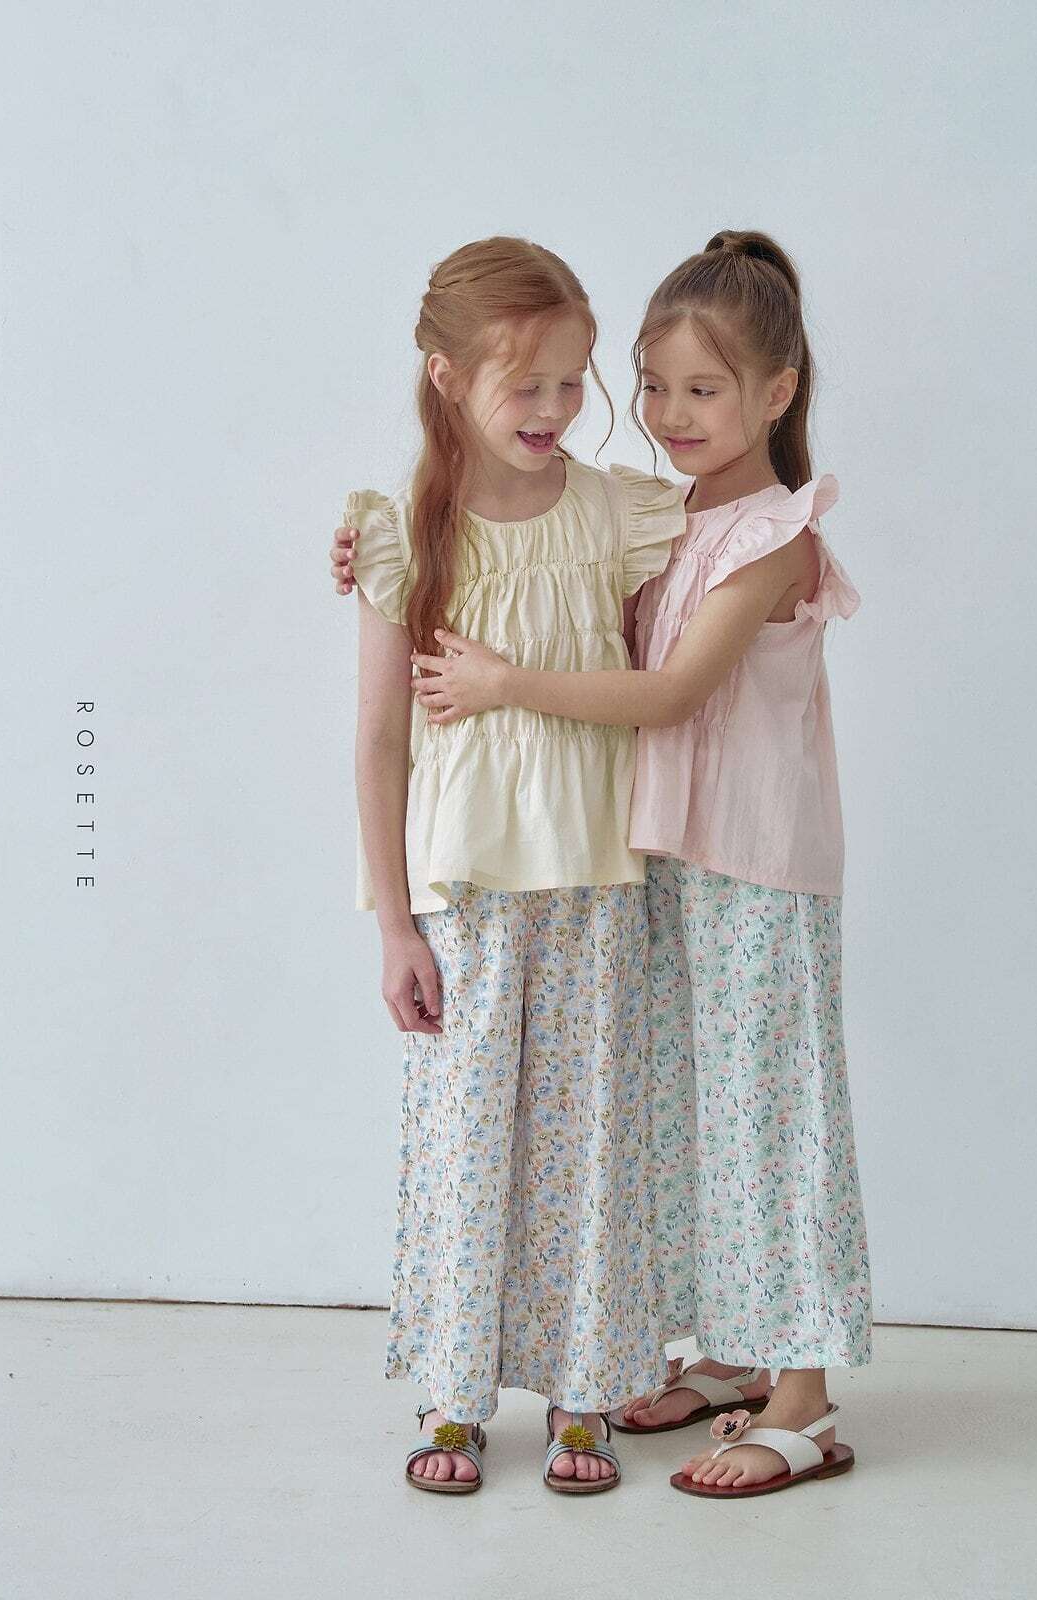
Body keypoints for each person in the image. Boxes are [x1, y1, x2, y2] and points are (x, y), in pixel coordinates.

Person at [381, 229, 875, 1498]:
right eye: (653, 386)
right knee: (687, 1118)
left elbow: (665, 693)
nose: (669, 414)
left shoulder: (773, 534)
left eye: (704, 389)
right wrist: (375, 553)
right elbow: (537, 558)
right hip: (665, 861)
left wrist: (503, 683)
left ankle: (805, 1396)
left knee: (772, 1116)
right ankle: (733, 1355)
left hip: (758, 865)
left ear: (777, 391)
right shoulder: (667, 515)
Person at [340, 234, 686, 1495]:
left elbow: (704, 587)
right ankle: (453, 1390)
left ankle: (586, 1388)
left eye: (571, 382)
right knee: (465, 1145)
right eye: (523, 383)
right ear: (446, 377)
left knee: (590, 1144)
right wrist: (393, 923)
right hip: (467, 896)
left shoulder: (611, 512)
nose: (553, 408)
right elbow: (379, 741)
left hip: (595, 880)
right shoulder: (402, 534)